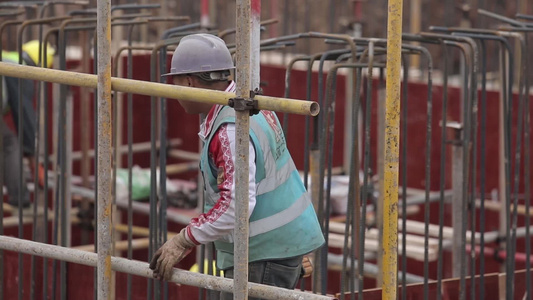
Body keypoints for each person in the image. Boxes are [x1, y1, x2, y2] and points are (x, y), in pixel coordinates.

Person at [149, 33, 325, 298]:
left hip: (262, 252)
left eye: (174, 84)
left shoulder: (231, 127)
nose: (173, 93)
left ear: (188, 81)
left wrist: (183, 240)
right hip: (279, 246)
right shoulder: (253, 105)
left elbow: (235, 207)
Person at [2, 40, 53, 209]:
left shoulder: (9, 58)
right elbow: (25, 118)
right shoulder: (21, 71)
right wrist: (34, 161)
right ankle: (20, 198)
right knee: (9, 145)